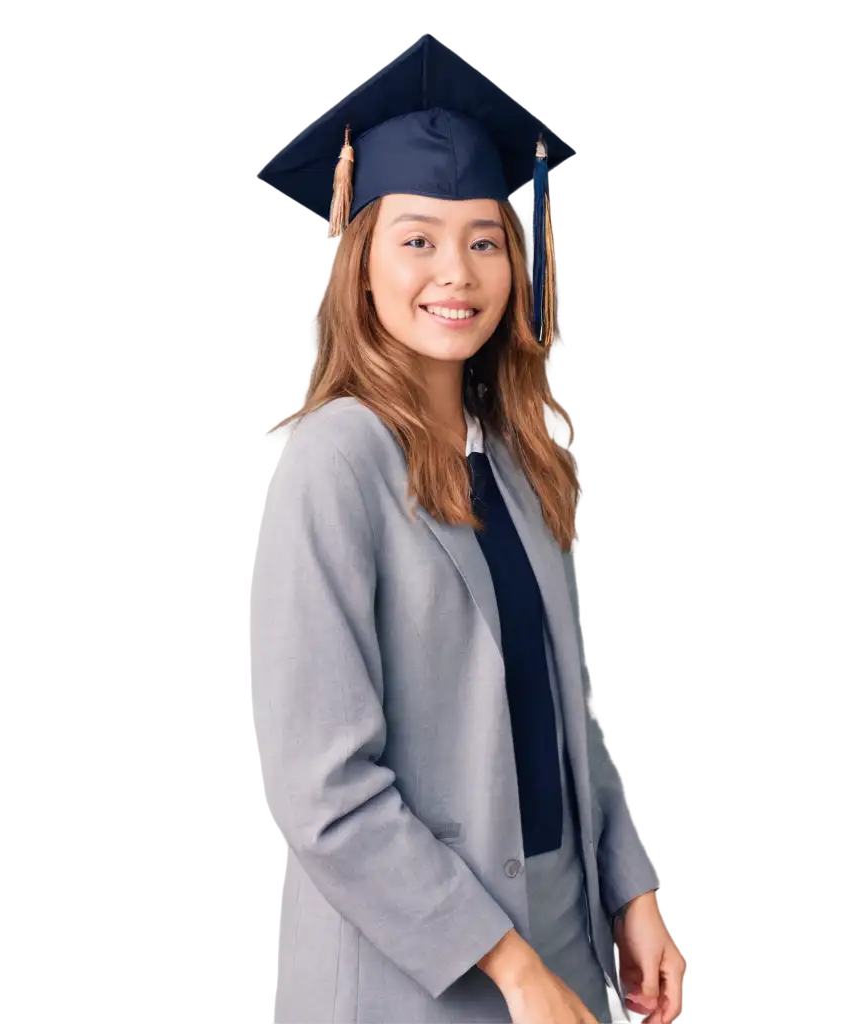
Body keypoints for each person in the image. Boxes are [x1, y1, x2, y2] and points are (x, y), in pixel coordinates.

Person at [244, 32, 685, 1024]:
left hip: (561, 931)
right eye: (416, 239)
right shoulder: (336, 463)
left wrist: (632, 887)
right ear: (359, 264)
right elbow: (325, 787)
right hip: (429, 970)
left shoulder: (513, 462)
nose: (456, 271)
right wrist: (511, 967)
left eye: (483, 239)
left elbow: (564, 709)